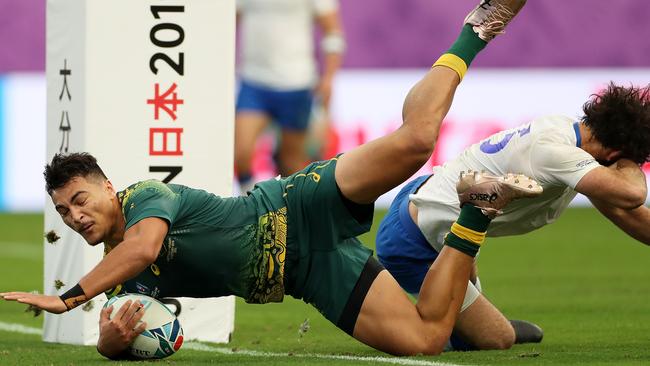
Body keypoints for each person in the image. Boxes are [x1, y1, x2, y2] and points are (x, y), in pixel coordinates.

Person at [2, 0, 534, 358]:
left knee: (417, 141)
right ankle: (474, 209)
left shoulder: (145, 197)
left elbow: (142, 250)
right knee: (427, 340)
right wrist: (111, 341)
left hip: (296, 203)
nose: (75, 216)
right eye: (65, 213)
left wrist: (68, 297)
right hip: (307, 274)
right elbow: (110, 334)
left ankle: (474, 31)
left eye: (80, 200)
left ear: (106, 187)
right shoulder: (116, 273)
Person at [376, 81, 650, 351]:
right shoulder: (556, 154)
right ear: (614, 154)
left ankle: (472, 324)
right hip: (415, 241)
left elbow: (626, 213)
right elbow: (631, 194)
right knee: (496, 339)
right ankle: (393, 325)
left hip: (430, 207)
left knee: (473, 322)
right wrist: (630, 164)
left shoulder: (567, 131)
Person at [234, 0, 345, 193]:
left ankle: (291, 212)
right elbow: (226, 23)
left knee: (290, 163)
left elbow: (332, 32)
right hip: (253, 80)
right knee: (240, 152)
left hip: (296, 83)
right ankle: (251, 210)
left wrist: (329, 78)